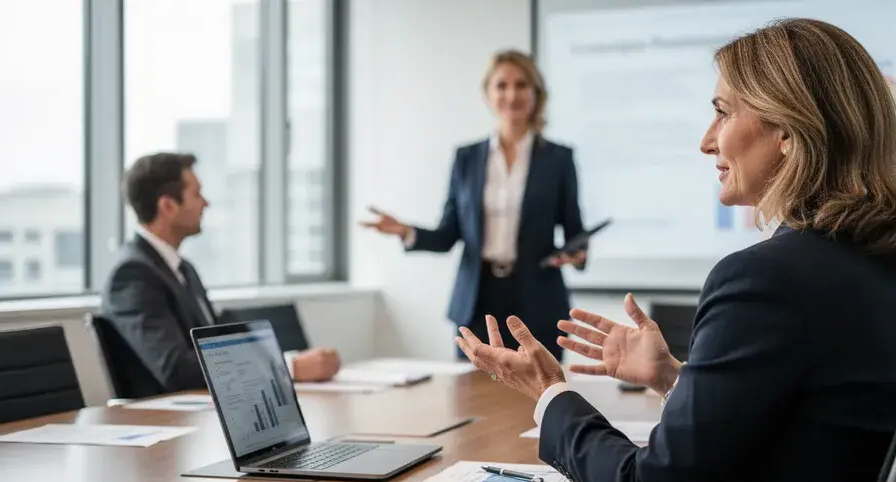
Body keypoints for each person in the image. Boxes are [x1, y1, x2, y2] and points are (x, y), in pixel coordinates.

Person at [455, 19, 896, 482]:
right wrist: (673, 378)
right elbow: (810, 432)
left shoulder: (764, 281)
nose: (706, 141)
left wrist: (550, 393)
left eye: (721, 113)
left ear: (787, 128)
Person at [362, 50, 586, 361]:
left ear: (536, 94)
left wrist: (576, 252)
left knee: (538, 400)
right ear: (487, 94)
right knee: (473, 400)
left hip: (538, 300)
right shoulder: (466, 159)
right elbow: (448, 234)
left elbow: (575, 229)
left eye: (522, 85)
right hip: (478, 302)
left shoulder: (559, 159)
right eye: (502, 85)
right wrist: (406, 231)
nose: (512, 94)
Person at [101, 152, 341, 397]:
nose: (206, 203)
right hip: (168, 418)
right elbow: (177, 370)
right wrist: (289, 367)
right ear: (168, 206)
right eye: (196, 194)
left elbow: (218, 347)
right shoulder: (132, 275)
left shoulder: (183, 269)